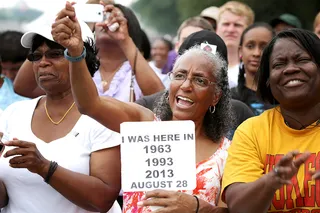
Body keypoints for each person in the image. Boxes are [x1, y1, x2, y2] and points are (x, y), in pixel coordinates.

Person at [52, 2, 232, 212]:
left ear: (216, 96)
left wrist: (197, 207)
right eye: (180, 76)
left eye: (199, 80)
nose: (185, 86)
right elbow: (89, 104)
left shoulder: (227, 153)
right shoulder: (144, 124)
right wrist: (75, 52)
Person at [0, 18, 122, 213]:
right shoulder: (14, 114)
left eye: (55, 54)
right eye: (36, 56)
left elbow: (102, 199)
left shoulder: (103, 118)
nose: (43, 63)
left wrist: (43, 167)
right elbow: (3, 197)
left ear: (82, 59)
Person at [221, 29, 320, 213]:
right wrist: (272, 180)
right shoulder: (251, 132)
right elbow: (239, 207)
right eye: (279, 64)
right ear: (267, 81)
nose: (290, 69)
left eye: (302, 60)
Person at [13, 4, 164, 101]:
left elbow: (159, 99)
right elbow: (23, 87)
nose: (106, 22)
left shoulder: (139, 70)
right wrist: (67, 23)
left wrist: (124, 39)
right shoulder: (77, 66)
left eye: (114, 18)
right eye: (101, 16)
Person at [136, 30, 254, 139]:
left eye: (201, 80)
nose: (187, 86)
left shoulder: (239, 113)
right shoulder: (147, 108)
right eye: (182, 74)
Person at [231, 23, 275, 115]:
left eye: (264, 47)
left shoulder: (282, 98)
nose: (257, 53)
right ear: (240, 51)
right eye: (250, 46)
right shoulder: (229, 98)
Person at [216, 1, 255, 88]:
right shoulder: (205, 63)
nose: (230, 29)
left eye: (237, 25)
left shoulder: (256, 66)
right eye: (226, 24)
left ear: (249, 30)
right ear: (217, 28)